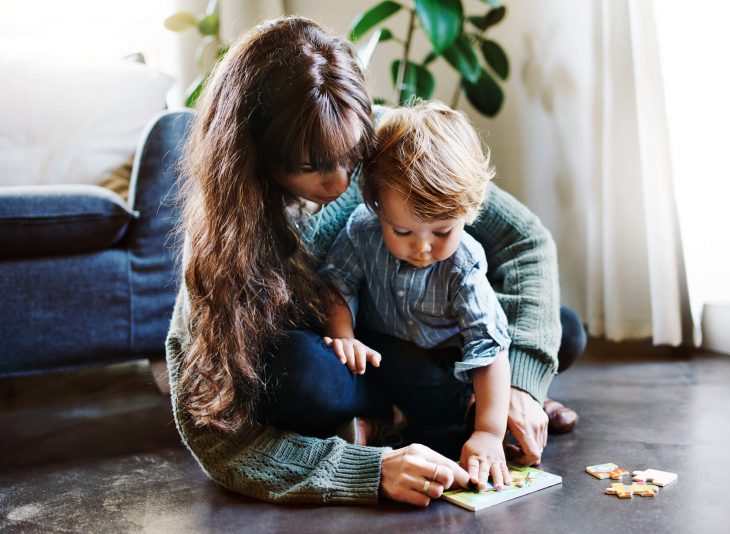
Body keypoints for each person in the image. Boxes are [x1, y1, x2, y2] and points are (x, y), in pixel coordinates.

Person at [166, 16, 585, 508]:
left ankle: (464, 407)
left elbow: (525, 241)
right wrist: (370, 471)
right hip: (357, 361)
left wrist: (520, 384)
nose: (342, 182)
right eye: (313, 166)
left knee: (561, 328)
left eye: (351, 156)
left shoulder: (391, 143)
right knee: (294, 373)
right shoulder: (224, 234)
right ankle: (410, 416)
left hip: (439, 336)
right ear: (255, 154)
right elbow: (216, 437)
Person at [320, 101, 513, 491]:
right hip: (385, 356)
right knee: (356, 363)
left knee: (563, 333)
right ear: (376, 206)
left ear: (469, 211)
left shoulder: (464, 263)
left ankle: (496, 412)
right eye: (403, 232)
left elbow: (488, 350)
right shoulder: (362, 230)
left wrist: (489, 434)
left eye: (441, 233)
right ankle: (399, 419)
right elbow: (335, 285)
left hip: (447, 366)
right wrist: (344, 336)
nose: (422, 248)